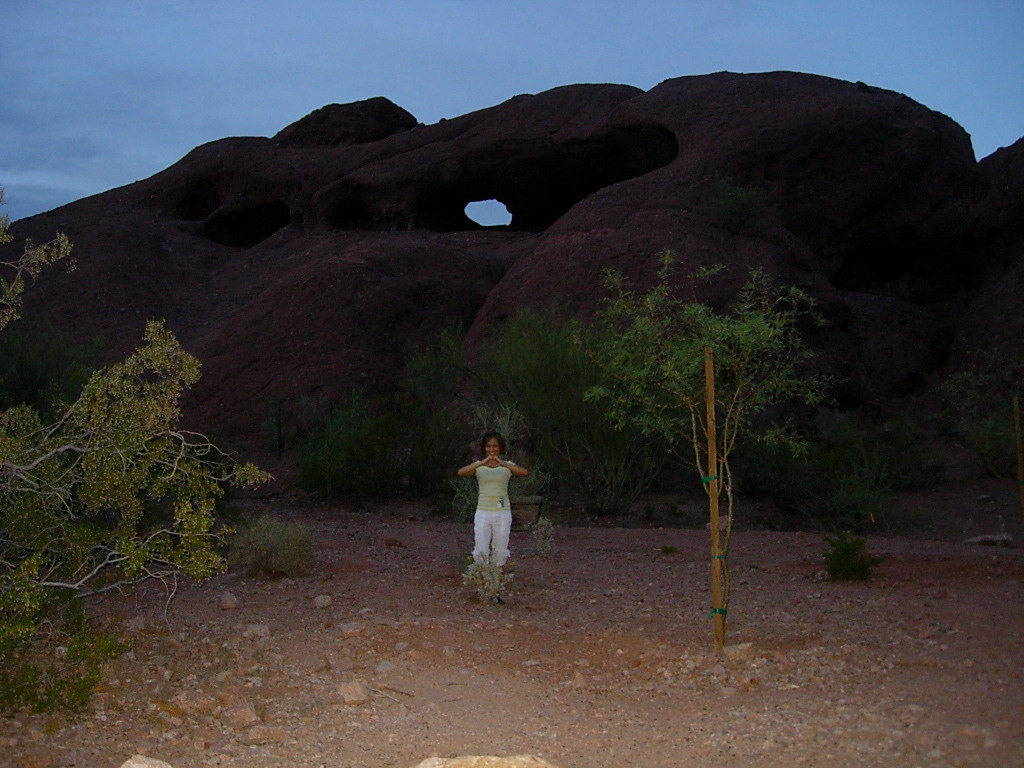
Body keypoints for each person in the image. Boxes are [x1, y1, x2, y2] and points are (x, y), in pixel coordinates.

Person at [457, 431, 529, 567]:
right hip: (483, 512)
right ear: (484, 448)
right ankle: (483, 576)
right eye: (488, 446)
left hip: (502, 511)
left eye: (495, 446)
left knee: (500, 548)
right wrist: (483, 462)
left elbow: (524, 472)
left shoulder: (507, 465)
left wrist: (501, 463)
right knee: (481, 548)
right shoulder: (479, 466)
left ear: (500, 447)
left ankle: (497, 575)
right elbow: (462, 472)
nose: (492, 450)